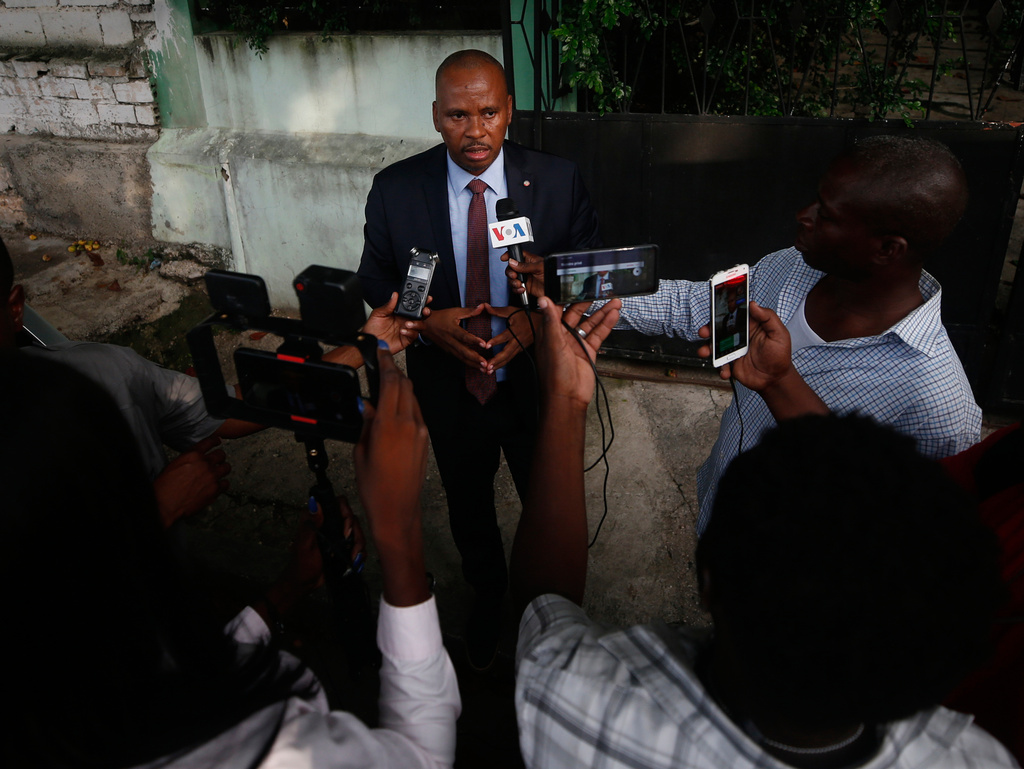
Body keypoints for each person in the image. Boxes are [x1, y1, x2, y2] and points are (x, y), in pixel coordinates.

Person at [509, 302, 1013, 768]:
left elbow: (541, 608)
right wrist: (779, 381)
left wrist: (566, 399)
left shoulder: (573, 700)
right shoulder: (978, 758)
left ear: (707, 580)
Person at [1, 344, 460, 769]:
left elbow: (222, 407)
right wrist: (398, 531)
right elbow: (423, 755)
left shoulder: (73, 698)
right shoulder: (266, 748)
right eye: (131, 489)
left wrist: (284, 592)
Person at [557, 134, 978, 535]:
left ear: (888, 249)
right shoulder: (790, 267)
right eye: (816, 199)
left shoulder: (938, 407)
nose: (803, 215)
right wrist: (568, 282)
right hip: (721, 510)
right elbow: (689, 305)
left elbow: (899, 534)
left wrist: (780, 383)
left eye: (827, 215)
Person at [356, 48, 601, 669]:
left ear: (509, 111)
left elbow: (585, 275)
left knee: (547, 496)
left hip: (534, 383)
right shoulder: (396, 189)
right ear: (435, 116)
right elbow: (377, 276)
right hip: (448, 385)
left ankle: (547, 611)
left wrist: (533, 322)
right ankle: (488, 594)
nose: (475, 131)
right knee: (468, 503)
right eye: (458, 116)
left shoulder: (557, 181)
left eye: (489, 113)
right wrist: (424, 324)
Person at [1, 233, 423, 526]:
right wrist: (157, 510)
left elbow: (235, 409)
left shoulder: (106, 374)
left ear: (15, 308)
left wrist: (363, 346)